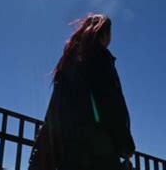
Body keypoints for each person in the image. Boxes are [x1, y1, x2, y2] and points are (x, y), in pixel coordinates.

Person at [29, 14, 135, 170]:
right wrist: (125, 142)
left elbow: (53, 112)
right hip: (97, 149)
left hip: (68, 152)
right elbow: (110, 102)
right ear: (104, 34)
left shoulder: (67, 65)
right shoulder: (101, 59)